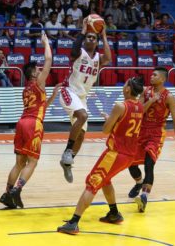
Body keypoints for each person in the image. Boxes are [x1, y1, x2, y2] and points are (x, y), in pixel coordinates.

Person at [57, 77, 144, 235]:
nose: (123, 86)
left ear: (128, 89)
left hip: (115, 153)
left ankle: (74, 222)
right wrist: (113, 121)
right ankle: (114, 214)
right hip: (129, 155)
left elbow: (105, 130)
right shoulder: (140, 106)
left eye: (125, 84)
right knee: (105, 180)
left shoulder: (120, 106)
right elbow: (124, 127)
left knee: (92, 182)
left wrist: (108, 120)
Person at [0, 34, 61, 209]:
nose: (41, 70)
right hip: (33, 124)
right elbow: (49, 59)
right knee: (32, 162)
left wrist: (53, 95)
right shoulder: (38, 82)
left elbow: (41, 106)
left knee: (19, 162)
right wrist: (46, 42)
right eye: (38, 69)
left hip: (22, 123)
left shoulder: (26, 89)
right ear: (34, 74)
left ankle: (7, 193)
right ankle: (16, 191)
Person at [127, 67, 175, 213]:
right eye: (152, 75)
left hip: (156, 134)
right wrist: (152, 100)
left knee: (149, 164)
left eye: (155, 75)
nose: (151, 77)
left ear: (162, 79)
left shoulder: (169, 97)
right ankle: (139, 182)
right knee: (130, 163)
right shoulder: (145, 91)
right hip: (141, 131)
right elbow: (139, 110)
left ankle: (144, 197)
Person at [59, 17, 112, 183]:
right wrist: (83, 30)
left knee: (81, 135)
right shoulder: (78, 53)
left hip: (82, 97)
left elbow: (109, 58)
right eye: (89, 37)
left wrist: (103, 36)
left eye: (93, 37)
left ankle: (68, 161)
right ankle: (67, 151)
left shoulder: (98, 58)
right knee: (83, 116)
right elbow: (74, 47)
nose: (91, 38)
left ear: (96, 42)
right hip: (69, 91)